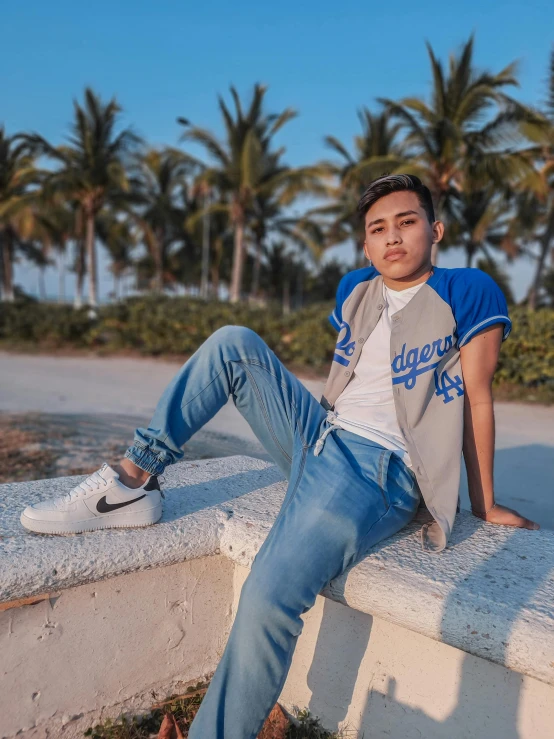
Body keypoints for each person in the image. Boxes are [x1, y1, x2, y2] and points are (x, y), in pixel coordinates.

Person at [20, 174, 539, 738]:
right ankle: (131, 481)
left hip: (379, 467)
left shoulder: (468, 290)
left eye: (407, 222)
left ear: (435, 230)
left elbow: (477, 398)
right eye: (378, 228)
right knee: (233, 343)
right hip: (320, 433)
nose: (393, 237)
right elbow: (352, 384)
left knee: (269, 595)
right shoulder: (355, 290)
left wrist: (484, 503)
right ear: (365, 245)